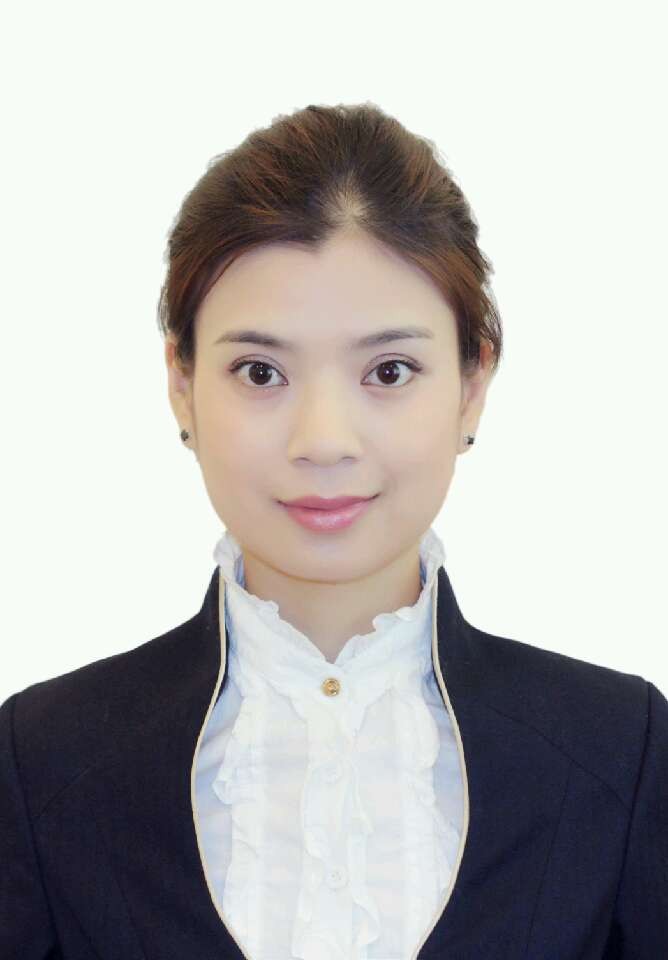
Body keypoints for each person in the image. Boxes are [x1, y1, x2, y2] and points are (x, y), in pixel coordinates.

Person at [1, 102, 666, 960]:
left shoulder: (619, 752)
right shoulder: (42, 762)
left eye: (389, 370)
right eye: (260, 372)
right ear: (181, 382)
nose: (322, 441)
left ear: (472, 385)